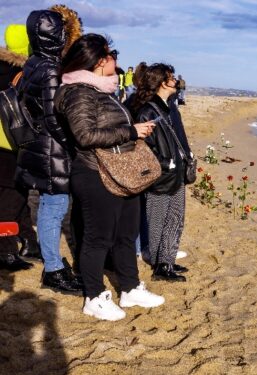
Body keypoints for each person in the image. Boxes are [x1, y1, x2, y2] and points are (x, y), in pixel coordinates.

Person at [55, 34, 164, 320]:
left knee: (126, 234)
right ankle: (93, 296)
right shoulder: (79, 92)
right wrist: (131, 131)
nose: (116, 62)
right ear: (100, 61)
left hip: (122, 171)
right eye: (112, 56)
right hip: (95, 172)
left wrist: (134, 128)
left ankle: (129, 288)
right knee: (98, 238)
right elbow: (85, 135)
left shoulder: (104, 91)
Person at [15, 10, 82, 293]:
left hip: (37, 145)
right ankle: (53, 269)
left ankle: (53, 263)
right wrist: (73, 144)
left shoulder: (33, 63)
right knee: (54, 207)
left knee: (47, 205)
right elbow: (54, 117)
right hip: (52, 148)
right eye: (61, 32)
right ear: (55, 35)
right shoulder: (52, 68)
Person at [129, 63, 190, 282]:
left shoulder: (167, 107)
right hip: (161, 175)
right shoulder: (147, 111)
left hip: (175, 172)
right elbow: (143, 148)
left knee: (175, 218)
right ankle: (159, 265)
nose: (176, 81)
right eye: (171, 78)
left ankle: (167, 261)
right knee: (157, 220)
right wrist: (167, 163)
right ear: (162, 82)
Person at [0, 24, 36, 270]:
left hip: (4, 144)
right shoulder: (23, 73)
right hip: (12, 144)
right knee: (10, 200)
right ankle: (5, 252)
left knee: (18, 195)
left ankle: (31, 243)